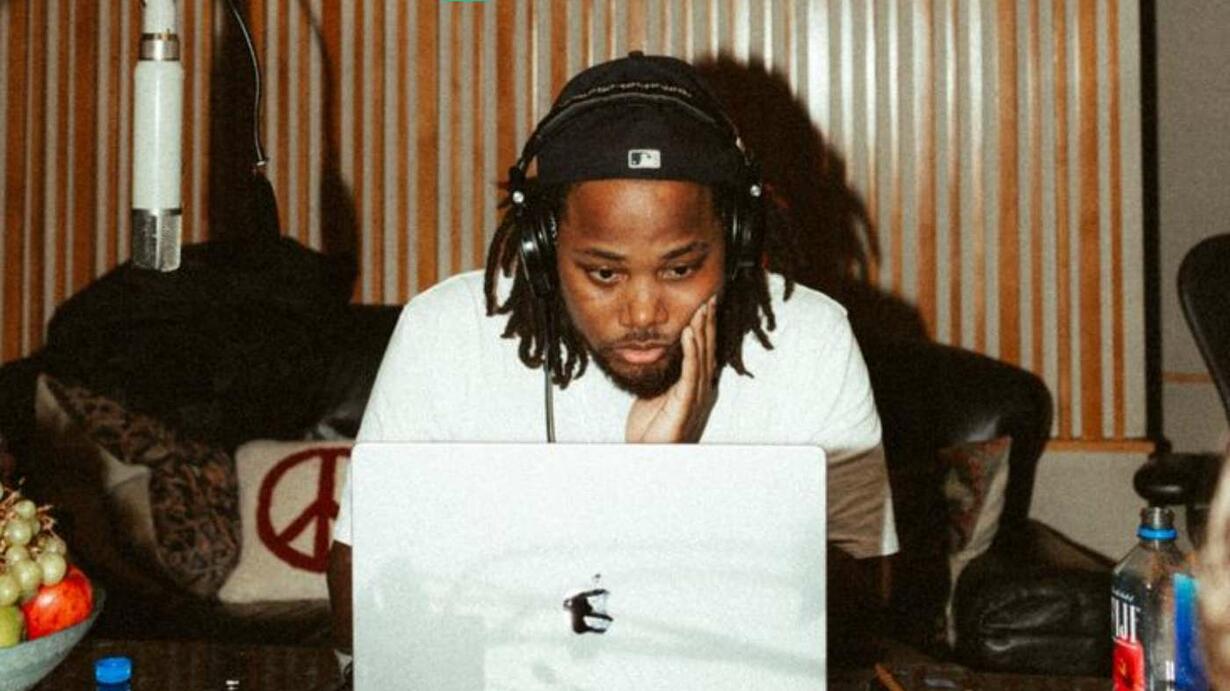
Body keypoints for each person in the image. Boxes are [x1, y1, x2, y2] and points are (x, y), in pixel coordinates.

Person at [327, 51, 898, 668]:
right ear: (542, 251)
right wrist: (631, 492)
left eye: (680, 269)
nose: (643, 312)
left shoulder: (808, 339)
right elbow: (360, 616)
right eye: (604, 273)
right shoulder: (443, 335)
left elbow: (866, 612)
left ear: (735, 244)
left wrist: (672, 488)